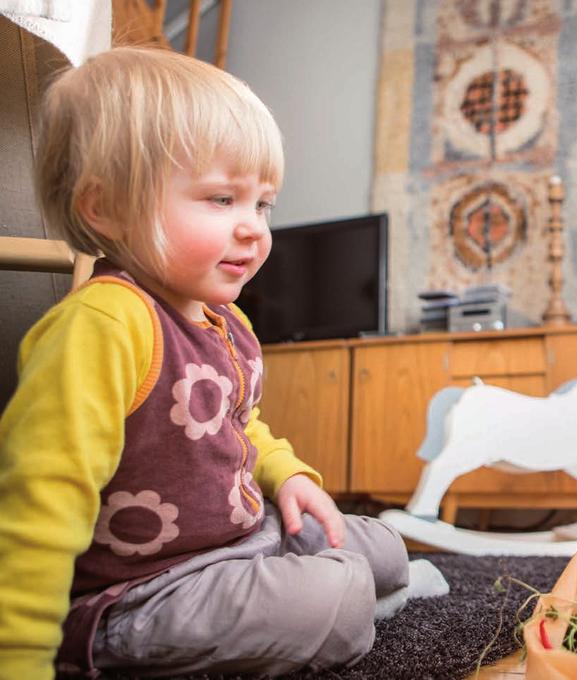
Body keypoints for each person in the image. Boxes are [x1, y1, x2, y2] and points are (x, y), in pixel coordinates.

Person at [0, 47, 409, 678]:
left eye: (262, 204)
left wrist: (289, 476)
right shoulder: (105, 326)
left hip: (239, 540)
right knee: (338, 596)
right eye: (221, 199)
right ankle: (111, 647)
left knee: (383, 547)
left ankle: (329, 589)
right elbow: (41, 507)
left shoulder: (228, 321)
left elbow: (241, 429)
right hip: (145, 589)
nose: (253, 228)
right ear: (103, 208)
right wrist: (20, 657)